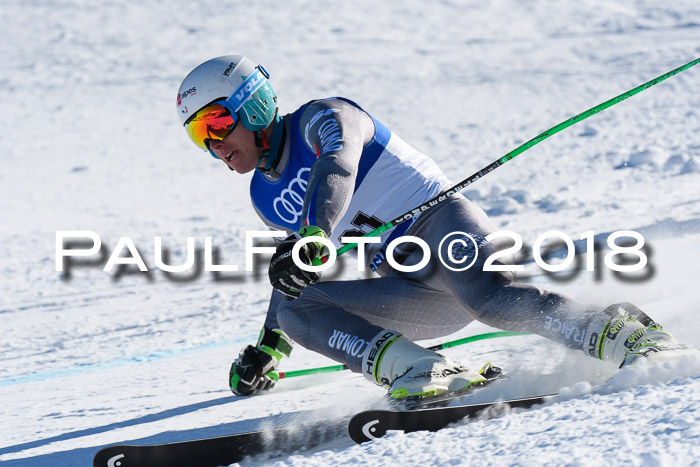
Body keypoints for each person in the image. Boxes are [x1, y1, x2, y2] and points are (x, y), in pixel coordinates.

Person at [176, 55, 691, 399]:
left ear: (255, 103)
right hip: (407, 286)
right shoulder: (262, 196)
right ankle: (420, 370)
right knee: (294, 308)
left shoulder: (324, 118)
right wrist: (269, 349)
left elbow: (337, 168)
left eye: (218, 121)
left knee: (491, 299)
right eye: (200, 134)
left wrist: (314, 233)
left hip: (443, 226)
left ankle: (624, 334)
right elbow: (295, 273)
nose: (214, 143)